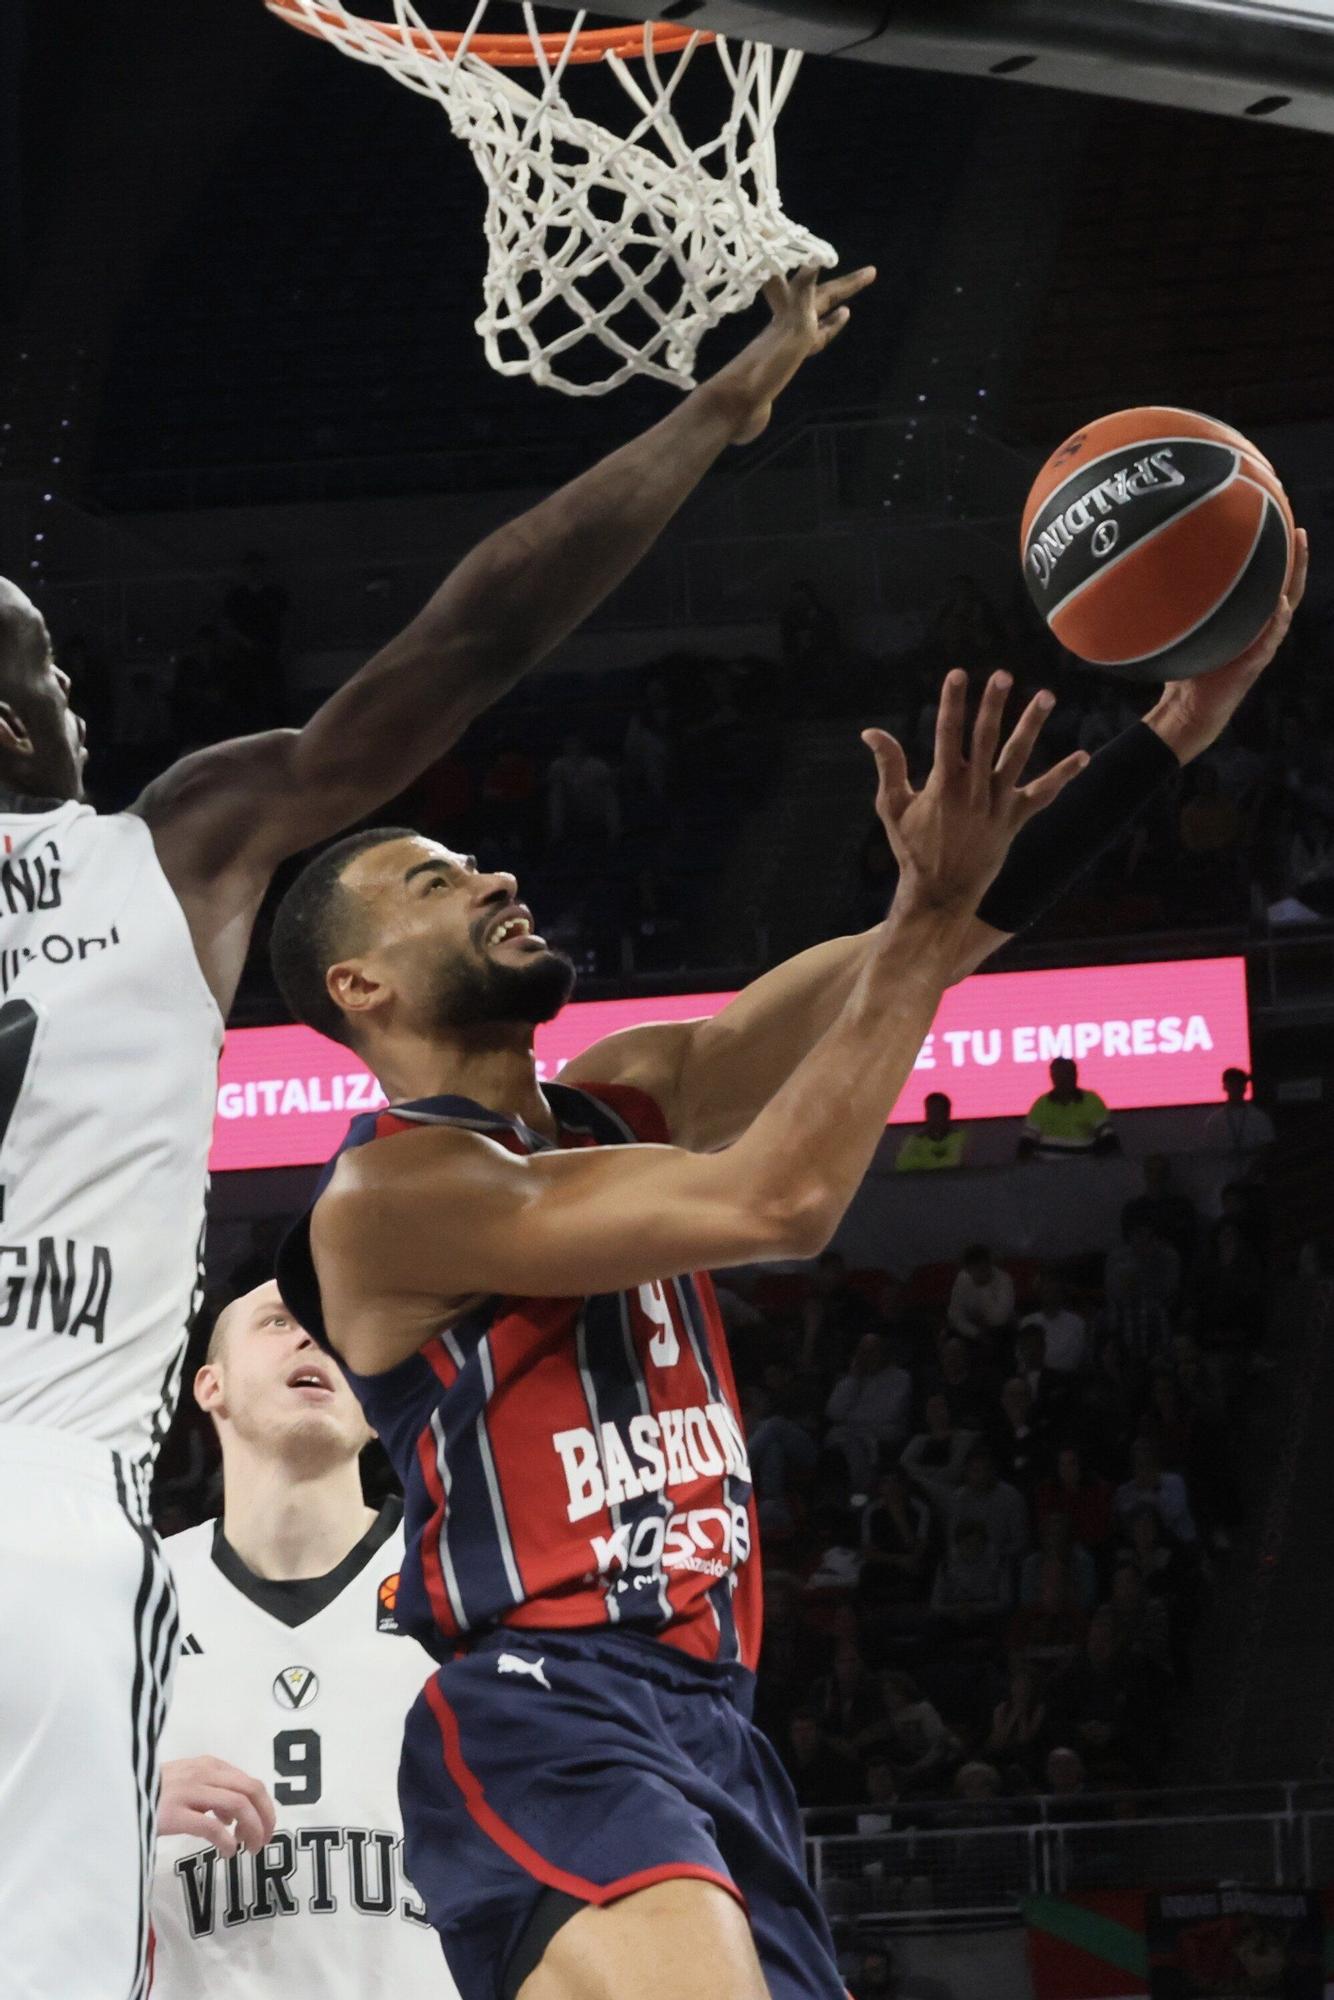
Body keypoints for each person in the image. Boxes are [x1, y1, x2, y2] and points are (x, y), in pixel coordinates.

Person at [0, 261, 881, 2000]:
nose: (83, 712)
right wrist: (711, 413)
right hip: (44, 1514)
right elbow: (466, 643)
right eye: (48, 683)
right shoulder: (160, 850)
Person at [274, 634, 1299, 1992]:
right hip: (548, 1709)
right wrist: (924, 925)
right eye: (435, 881)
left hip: (717, 1722)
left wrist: (1171, 727)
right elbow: (779, 1205)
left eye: (472, 861)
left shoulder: (627, 1094)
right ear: (362, 988)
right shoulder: (390, 1193)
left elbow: (933, 946)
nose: (496, 874)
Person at [152, 1282, 451, 1997]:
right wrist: (113, 1802)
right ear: (209, 1385)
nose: (309, 1337)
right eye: (277, 1322)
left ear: (376, 1409)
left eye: (329, 1326)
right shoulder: (133, 1594)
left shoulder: (462, 1577)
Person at [824, 1333, 913, 1494]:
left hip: (886, 1434)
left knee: (851, 1441)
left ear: (883, 1352)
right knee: (847, 1443)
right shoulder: (850, 1380)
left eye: (873, 1351)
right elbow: (834, 1413)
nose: (868, 1357)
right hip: (850, 1435)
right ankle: (858, 1494)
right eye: (863, 1352)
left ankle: (860, 1495)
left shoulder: (901, 1378)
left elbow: (889, 1415)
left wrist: (850, 1419)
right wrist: (854, 1380)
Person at [1017, 1057, 1119, 1159]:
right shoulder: (1041, 1104)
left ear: (1075, 1075)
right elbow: (1027, 1140)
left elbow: (1108, 1138)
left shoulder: (1092, 1101)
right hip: (1048, 1171)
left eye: (1068, 1074)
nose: (1065, 1079)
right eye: (1061, 1075)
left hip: (1086, 1169)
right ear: (1053, 1077)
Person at [1201, 1067, 1276, 1166]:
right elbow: (1209, 1150)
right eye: (1232, 1083)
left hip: (1253, 1173)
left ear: (1244, 1087)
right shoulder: (1215, 1120)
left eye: (1239, 1084)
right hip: (1224, 1175)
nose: (1235, 1087)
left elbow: (1268, 1147)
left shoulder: (1258, 1117)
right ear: (1225, 1087)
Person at [1019, 1272, 1089, 1376]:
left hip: (1067, 1379)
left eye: (1055, 1291)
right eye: (1047, 1291)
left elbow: (1080, 1358)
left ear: (1062, 1294)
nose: (1051, 1296)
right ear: (1040, 1294)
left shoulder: (1077, 1323)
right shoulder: (1028, 1322)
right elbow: (1022, 1358)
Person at [946, 1243, 1015, 1346]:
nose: (981, 1270)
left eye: (984, 1266)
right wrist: (975, 1333)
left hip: (999, 1332)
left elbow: (1000, 1318)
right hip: (970, 1331)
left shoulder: (1004, 1280)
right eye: (974, 1266)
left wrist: (984, 1288)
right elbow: (955, 1315)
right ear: (968, 1269)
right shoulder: (962, 1278)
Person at [894, 1092, 969, 1172]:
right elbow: (902, 1165)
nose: (934, 1116)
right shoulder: (914, 1140)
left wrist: (922, 1163)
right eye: (931, 1112)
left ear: (948, 1113)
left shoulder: (961, 1137)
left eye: (939, 1112)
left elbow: (956, 1162)